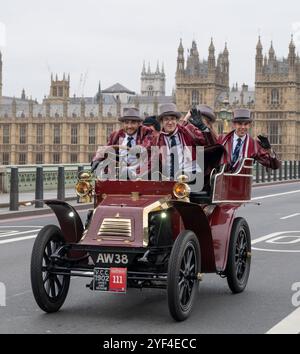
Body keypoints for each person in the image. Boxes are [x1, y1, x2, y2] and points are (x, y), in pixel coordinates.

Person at [153, 103, 216, 180]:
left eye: (172, 119)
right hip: (170, 180)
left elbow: (210, 144)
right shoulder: (157, 140)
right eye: (166, 119)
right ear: (162, 122)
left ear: (176, 120)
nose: (170, 122)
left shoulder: (188, 130)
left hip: (191, 176)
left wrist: (203, 128)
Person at [91, 108, 154, 176]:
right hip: (120, 174)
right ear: (122, 124)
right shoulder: (116, 135)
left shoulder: (146, 132)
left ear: (139, 124)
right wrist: (97, 159)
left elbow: (147, 145)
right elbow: (106, 148)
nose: (129, 126)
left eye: (133, 123)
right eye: (126, 123)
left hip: (140, 175)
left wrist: (138, 149)